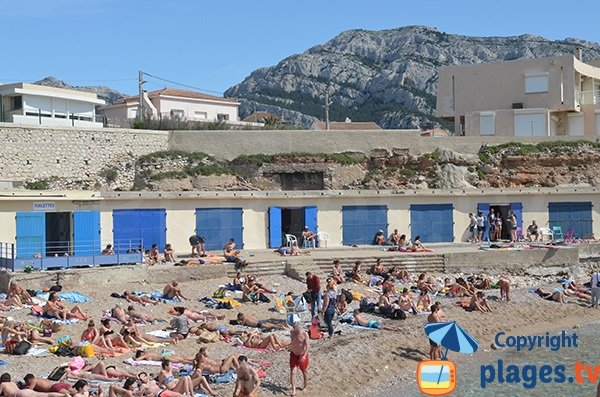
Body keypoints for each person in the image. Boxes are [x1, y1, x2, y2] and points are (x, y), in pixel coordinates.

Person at [289, 322, 309, 397]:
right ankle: (293, 390)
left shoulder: (304, 334)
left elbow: (307, 346)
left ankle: (305, 386)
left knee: (304, 371)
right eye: (294, 329)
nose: (295, 331)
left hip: (301, 355)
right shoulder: (292, 332)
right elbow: (287, 327)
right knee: (293, 372)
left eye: (297, 330)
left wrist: (304, 356)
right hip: (293, 354)